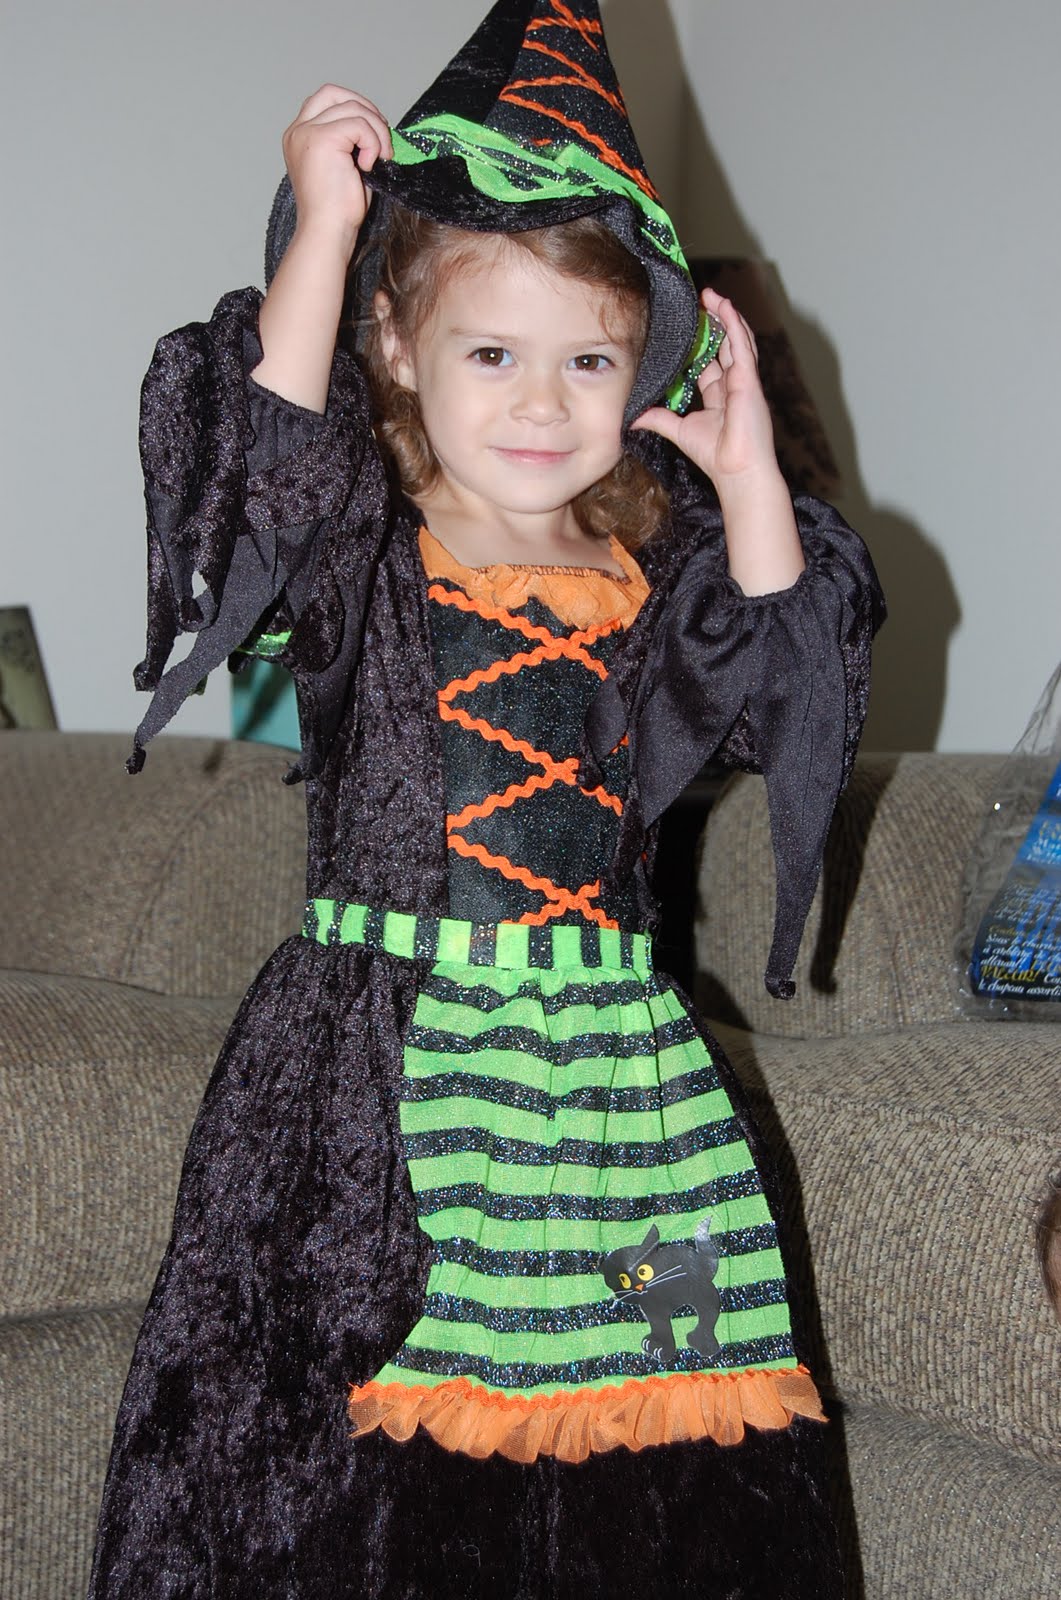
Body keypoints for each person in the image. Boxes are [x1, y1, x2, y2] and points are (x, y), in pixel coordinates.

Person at [90, 4, 883, 1595]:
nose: (541, 402)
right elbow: (270, 458)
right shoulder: (366, 545)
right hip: (373, 1078)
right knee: (352, 1449)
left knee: (654, 1419)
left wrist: (744, 476)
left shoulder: (649, 571)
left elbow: (782, 683)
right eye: (491, 353)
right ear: (399, 349)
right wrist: (328, 232)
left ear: (641, 369)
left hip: (614, 1087)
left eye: (589, 359)